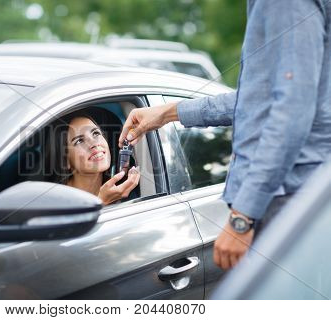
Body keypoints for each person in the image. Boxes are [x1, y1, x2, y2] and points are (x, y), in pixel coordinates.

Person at [119, 0, 331, 270]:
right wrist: (167, 112)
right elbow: (258, 102)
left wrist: (242, 217)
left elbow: (292, 111)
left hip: (287, 199)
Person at [49, 111, 140, 205]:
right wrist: (102, 202)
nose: (94, 143)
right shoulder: (55, 202)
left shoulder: (123, 192)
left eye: (96, 133)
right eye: (79, 141)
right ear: (66, 161)